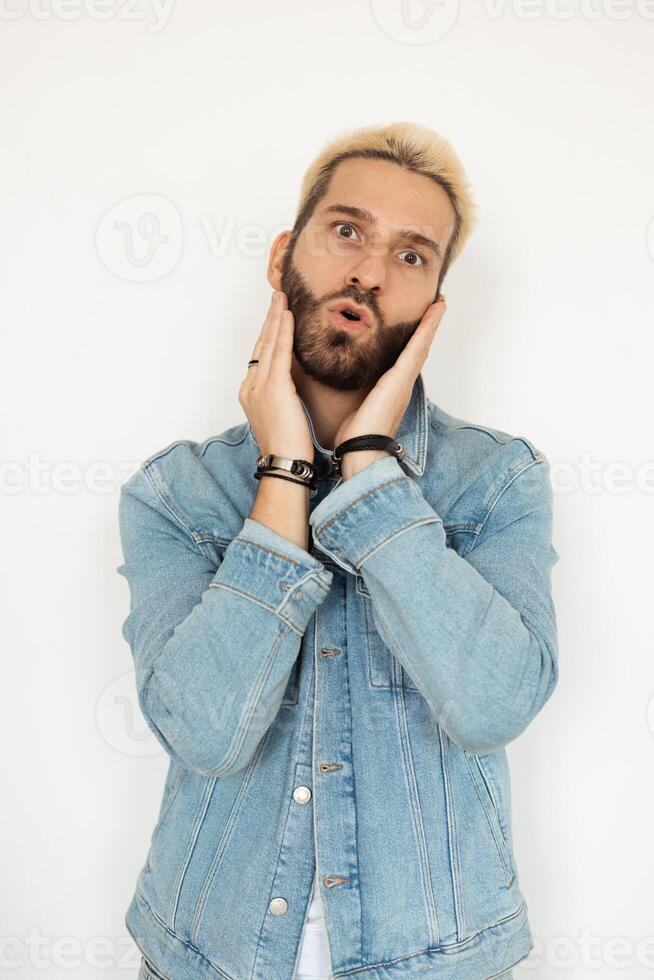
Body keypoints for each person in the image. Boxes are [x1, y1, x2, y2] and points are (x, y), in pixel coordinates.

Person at [118, 121, 559, 980]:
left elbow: (494, 705)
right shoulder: (176, 492)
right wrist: (283, 470)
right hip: (208, 954)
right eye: (347, 231)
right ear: (286, 253)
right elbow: (205, 732)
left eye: (411, 254)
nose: (367, 270)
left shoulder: (499, 482)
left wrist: (366, 473)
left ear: (435, 307)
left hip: (442, 960)